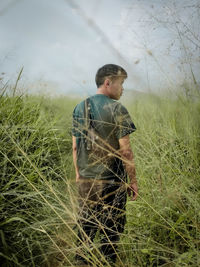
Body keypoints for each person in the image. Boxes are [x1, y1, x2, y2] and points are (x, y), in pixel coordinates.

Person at [72, 64, 138, 266]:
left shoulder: (80, 107)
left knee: (86, 231)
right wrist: (133, 180)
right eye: (121, 83)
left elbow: (75, 147)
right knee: (111, 234)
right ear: (108, 82)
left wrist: (78, 174)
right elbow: (125, 151)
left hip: (86, 180)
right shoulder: (117, 108)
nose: (123, 88)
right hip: (113, 182)